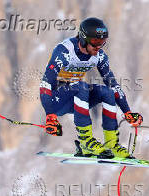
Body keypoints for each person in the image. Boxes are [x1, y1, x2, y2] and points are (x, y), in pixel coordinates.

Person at [40, 17, 143, 159]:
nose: (98, 47)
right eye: (95, 42)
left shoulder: (99, 56)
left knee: (107, 92)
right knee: (81, 86)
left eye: (102, 42)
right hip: (57, 99)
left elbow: (113, 85)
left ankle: (111, 144)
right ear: (83, 38)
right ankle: (85, 143)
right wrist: (50, 114)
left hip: (77, 97)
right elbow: (46, 84)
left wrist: (127, 112)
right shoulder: (64, 51)